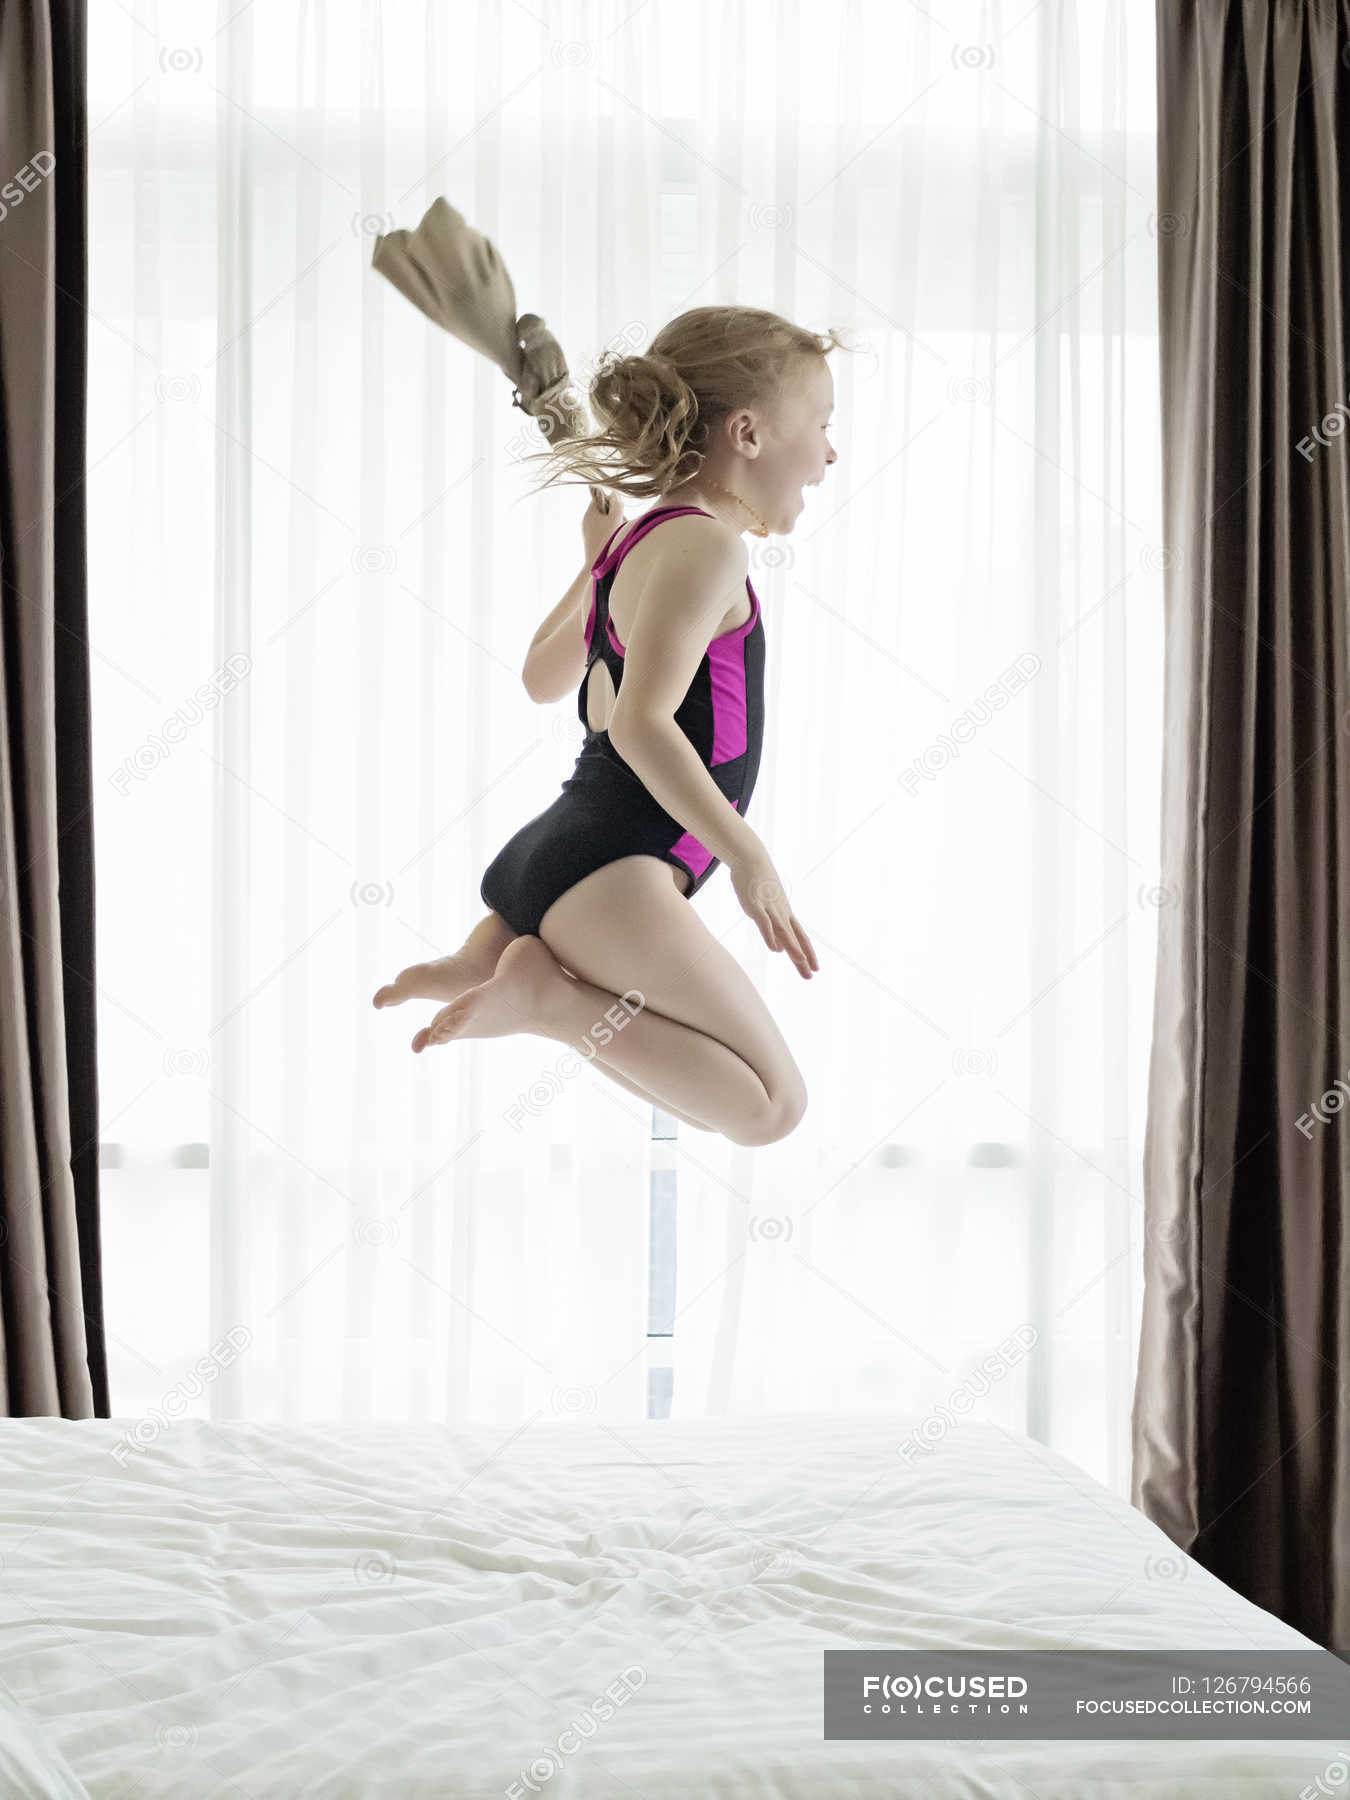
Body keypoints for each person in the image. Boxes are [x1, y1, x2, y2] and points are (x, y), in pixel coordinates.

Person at [373, 304, 843, 1145]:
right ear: (748, 432)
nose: (831, 452)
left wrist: (593, 564)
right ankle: (549, 1002)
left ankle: (496, 958)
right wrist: (749, 857)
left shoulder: (640, 545)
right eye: (821, 424)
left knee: (762, 1102)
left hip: (554, 854)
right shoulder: (706, 546)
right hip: (619, 865)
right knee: (773, 1107)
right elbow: (639, 725)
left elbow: (539, 679)